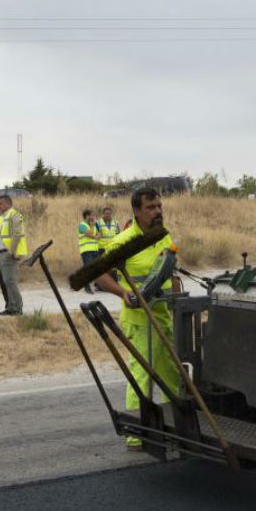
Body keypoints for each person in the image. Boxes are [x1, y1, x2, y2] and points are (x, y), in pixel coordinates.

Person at [94, 187, 180, 452]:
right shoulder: (123, 242)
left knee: (171, 375)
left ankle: (175, 426)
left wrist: (178, 298)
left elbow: (170, 273)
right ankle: (137, 433)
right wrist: (123, 292)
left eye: (159, 206)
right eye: (151, 208)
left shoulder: (163, 237)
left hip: (163, 315)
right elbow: (100, 275)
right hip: (140, 320)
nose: (157, 211)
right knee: (142, 374)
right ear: (136, 211)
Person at [0, 193, 26, 315]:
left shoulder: (14, 215)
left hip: (8, 254)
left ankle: (17, 307)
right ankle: (11, 307)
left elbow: (17, 234)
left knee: (10, 281)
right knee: (6, 281)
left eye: (0, 203)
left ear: (8, 203)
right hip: (1, 254)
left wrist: (12, 252)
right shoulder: (2, 218)